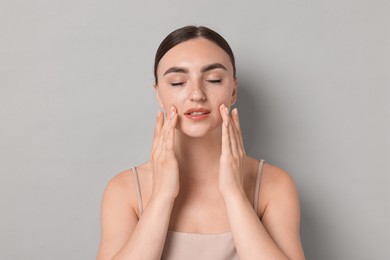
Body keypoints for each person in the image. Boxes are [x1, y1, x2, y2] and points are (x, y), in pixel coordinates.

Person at [96, 25, 305, 260]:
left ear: (233, 89)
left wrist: (234, 194)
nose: (197, 94)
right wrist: (162, 196)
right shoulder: (124, 191)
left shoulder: (274, 185)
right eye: (177, 82)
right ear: (158, 93)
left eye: (214, 79)